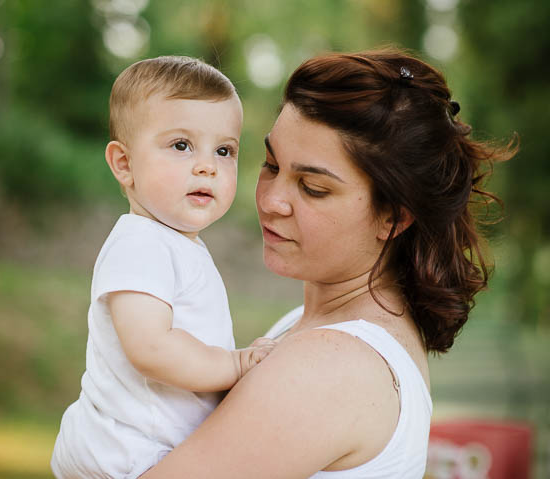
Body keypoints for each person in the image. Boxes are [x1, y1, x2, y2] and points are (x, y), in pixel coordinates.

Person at [139, 49, 516, 478]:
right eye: (271, 164)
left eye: (313, 187)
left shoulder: (329, 366)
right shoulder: (309, 325)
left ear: (393, 216)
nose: (271, 200)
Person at [51, 56, 276, 479]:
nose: (207, 165)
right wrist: (237, 364)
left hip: (149, 449)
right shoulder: (140, 243)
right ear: (124, 164)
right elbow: (151, 347)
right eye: (181, 145)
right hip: (127, 455)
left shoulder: (173, 244)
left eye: (224, 150)